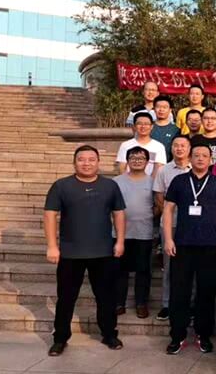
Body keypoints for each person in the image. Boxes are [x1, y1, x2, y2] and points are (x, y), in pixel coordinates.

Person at [43, 145, 126, 356]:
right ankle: (60, 338)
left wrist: (120, 241)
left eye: (91, 159)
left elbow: (119, 213)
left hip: (103, 251)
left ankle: (109, 334)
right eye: (81, 159)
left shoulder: (110, 186)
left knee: (106, 297)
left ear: (98, 162)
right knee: (66, 298)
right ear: (74, 162)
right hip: (71, 253)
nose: (86, 163)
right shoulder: (61, 186)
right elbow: (50, 215)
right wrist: (52, 246)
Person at [162, 143, 216, 355]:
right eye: (196, 155)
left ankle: (203, 334)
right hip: (182, 244)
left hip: (209, 245)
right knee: (179, 291)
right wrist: (168, 239)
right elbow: (168, 209)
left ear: (211, 160)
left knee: (206, 292)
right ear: (190, 159)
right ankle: (177, 335)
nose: (200, 158)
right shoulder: (179, 181)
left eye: (204, 156)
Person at [152, 135, 191, 322]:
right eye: (176, 145)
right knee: (169, 266)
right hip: (170, 225)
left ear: (189, 149)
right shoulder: (163, 170)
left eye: (183, 145)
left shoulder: (197, 168)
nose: (179, 149)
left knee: (191, 266)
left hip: (192, 226)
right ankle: (167, 304)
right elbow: (159, 197)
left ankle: (190, 304)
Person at [113, 146, 154, 319]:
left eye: (141, 158)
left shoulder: (153, 182)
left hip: (144, 232)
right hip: (120, 234)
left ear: (147, 162)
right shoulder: (116, 181)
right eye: (133, 158)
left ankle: (141, 303)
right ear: (127, 161)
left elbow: (158, 205)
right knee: (120, 270)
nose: (137, 161)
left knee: (143, 270)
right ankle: (118, 303)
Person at [116, 112, 167, 178]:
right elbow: (121, 168)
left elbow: (158, 169)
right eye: (139, 123)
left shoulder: (159, 146)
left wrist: (148, 182)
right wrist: (128, 181)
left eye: (146, 124)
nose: (143, 126)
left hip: (151, 182)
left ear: (152, 126)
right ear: (134, 126)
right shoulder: (125, 145)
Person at [151, 95, 180, 162]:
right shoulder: (148, 128)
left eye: (165, 107)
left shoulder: (176, 130)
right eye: (158, 107)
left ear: (170, 110)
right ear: (154, 109)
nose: (161, 110)